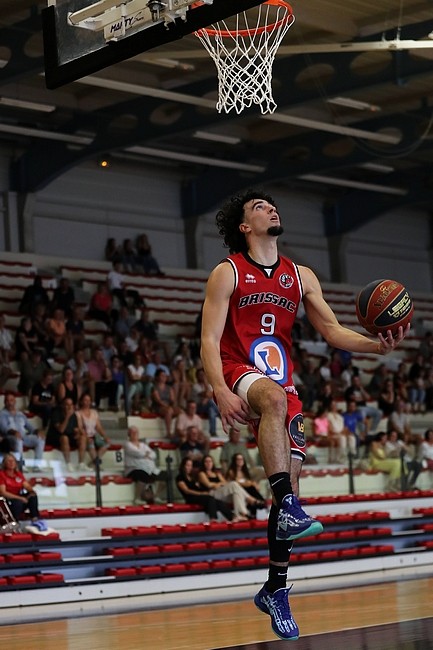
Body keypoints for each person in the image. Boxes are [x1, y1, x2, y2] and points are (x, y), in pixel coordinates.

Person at [200, 189, 408, 641]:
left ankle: (275, 588)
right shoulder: (227, 272)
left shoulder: (301, 275)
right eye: (259, 207)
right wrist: (219, 388)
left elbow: (331, 329)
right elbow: (209, 338)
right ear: (244, 226)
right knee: (275, 405)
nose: (271, 209)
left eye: (272, 205)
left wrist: (377, 347)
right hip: (239, 368)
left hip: (283, 384)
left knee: (288, 493)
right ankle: (288, 510)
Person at [197, 455, 262, 521]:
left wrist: (217, 484)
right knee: (233, 484)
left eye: (210, 461)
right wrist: (219, 484)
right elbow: (209, 485)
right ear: (203, 463)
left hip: (221, 493)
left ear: (212, 463)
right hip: (212, 494)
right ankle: (250, 500)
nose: (208, 463)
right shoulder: (202, 473)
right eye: (206, 461)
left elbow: (225, 483)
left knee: (236, 493)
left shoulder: (217, 473)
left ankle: (239, 515)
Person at [0, 453, 49, 533]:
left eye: (13, 461)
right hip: (8, 500)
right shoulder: (1, 474)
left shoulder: (18, 474)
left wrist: (31, 491)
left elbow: (27, 486)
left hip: (19, 498)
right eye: (9, 461)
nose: (11, 463)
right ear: (5, 463)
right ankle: (15, 522)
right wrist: (20, 498)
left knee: (32, 496)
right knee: (18, 502)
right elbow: (3, 492)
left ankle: (35, 518)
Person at [176, 457, 234, 522]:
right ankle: (213, 519)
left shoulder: (192, 477)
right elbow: (186, 490)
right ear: (183, 466)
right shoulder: (180, 477)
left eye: (191, 465)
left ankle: (232, 517)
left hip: (199, 496)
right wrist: (201, 493)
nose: (190, 467)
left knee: (218, 501)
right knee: (210, 499)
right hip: (191, 498)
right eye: (188, 465)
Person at [0, 392, 45, 469]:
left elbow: (29, 427)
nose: (9, 403)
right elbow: (4, 428)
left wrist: (37, 431)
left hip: (23, 437)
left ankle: (37, 466)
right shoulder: (2, 414)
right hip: (10, 438)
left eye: (11, 400)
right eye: (7, 401)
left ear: (15, 401)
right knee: (18, 440)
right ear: (4, 402)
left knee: (40, 439)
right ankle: (20, 466)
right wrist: (14, 432)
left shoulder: (20, 414)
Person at [123, 426, 167, 504]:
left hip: (149, 468)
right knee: (142, 475)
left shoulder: (143, 445)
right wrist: (146, 454)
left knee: (164, 475)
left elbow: (153, 454)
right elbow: (137, 453)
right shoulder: (127, 444)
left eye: (136, 432)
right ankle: (137, 498)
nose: (135, 434)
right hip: (133, 469)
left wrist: (147, 455)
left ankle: (156, 496)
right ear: (129, 434)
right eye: (133, 432)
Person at [46, 398, 86, 471]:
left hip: (69, 436)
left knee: (82, 438)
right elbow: (61, 430)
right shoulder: (56, 413)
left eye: (71, 405)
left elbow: (75, 429)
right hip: (55, 437)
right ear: (62, 405)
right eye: (67, 405)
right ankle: (68, 464)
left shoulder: (73, 415)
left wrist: (77, 434)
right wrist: (67, 416)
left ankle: (81, 464)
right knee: (64, 438)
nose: (69, 407)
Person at [226, 452, 267, 517]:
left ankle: (258, 504)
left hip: (246, 490)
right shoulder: (231, 471)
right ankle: (259, 502)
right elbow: (237, 483)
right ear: (234, 461)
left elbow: (248, 481)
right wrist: (251, 483)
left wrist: (253, 483)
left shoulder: (245, 471)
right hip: (236, 491)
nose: (240, 461)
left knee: (252, 488)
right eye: (238, 459)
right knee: (251, 488)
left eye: (241, 459)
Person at [76, 394, 110, 468]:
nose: (87, 402)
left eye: (89, 400)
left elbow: (99, 427)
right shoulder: (78, 413)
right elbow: (80, 427)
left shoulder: (94, 412)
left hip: (94, 435)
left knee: (107, 444)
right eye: (85, 400)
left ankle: (94, 463)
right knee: (91, 444)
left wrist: (105, 436)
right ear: (81, 401)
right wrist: (87, 437)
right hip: (85, 436)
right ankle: (96, 465)